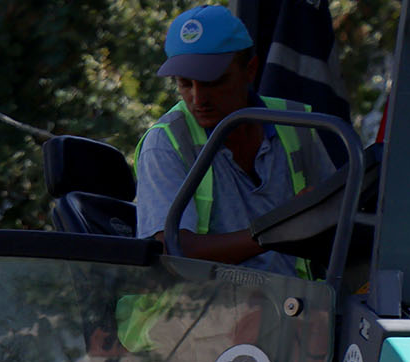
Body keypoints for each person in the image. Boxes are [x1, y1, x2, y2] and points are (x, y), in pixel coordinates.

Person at [134, 4, 335, 277]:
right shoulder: (166, 141)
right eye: (185, 83)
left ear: (250, 70)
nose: (198, 97)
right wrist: (277, 231)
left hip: (293, 308)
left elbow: (337, 220)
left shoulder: (298, 124)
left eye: (213, 81)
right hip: (195, 312)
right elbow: (172, 249)